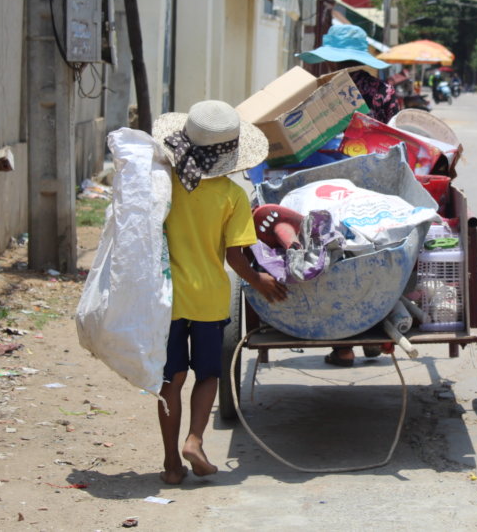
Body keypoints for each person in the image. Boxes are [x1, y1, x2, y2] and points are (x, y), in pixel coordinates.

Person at [152, 100, 287, 484]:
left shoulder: (165, 183)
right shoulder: (232, 195)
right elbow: (236, 259)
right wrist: (260, 280)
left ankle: (171, 465)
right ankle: (194, 440)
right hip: (210, 298)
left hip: (168, 298)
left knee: (170, 381)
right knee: (208, 376)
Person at [297, 24, 399, 367]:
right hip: (371, 187)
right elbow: (395, 142)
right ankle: (373, 325)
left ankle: (343, 346)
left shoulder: (320, 92)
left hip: (323, 187)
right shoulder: (384, 93)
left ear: (331, 62)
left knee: (333, 249)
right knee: (371, 249)